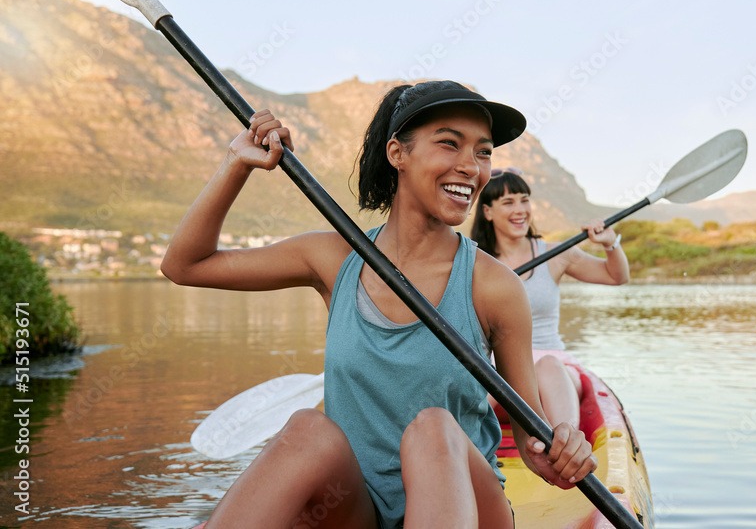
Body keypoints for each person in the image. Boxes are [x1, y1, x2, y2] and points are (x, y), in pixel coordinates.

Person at [160, 80, 597, 529]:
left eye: (483, 152)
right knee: (307, 429)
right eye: (449, 144)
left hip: (471, 507)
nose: (471, 167)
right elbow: (186, 265)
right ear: (397, 154)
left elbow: (529, 433)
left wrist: (556, 452)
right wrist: (237, 164)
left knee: (433, 428)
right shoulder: (333, 258)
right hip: (356, 510)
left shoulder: (495, 286)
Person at [469, 170, 629, 429]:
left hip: (553, 375)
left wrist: (610, 244)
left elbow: (615, 276)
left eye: (524, 200)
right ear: (487, 212)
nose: (520, 210)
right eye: (508, 203)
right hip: (499, 378)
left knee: (548, 366)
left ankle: (567, 447)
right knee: (486, 377)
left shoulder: (556, 254)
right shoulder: (474, 262)